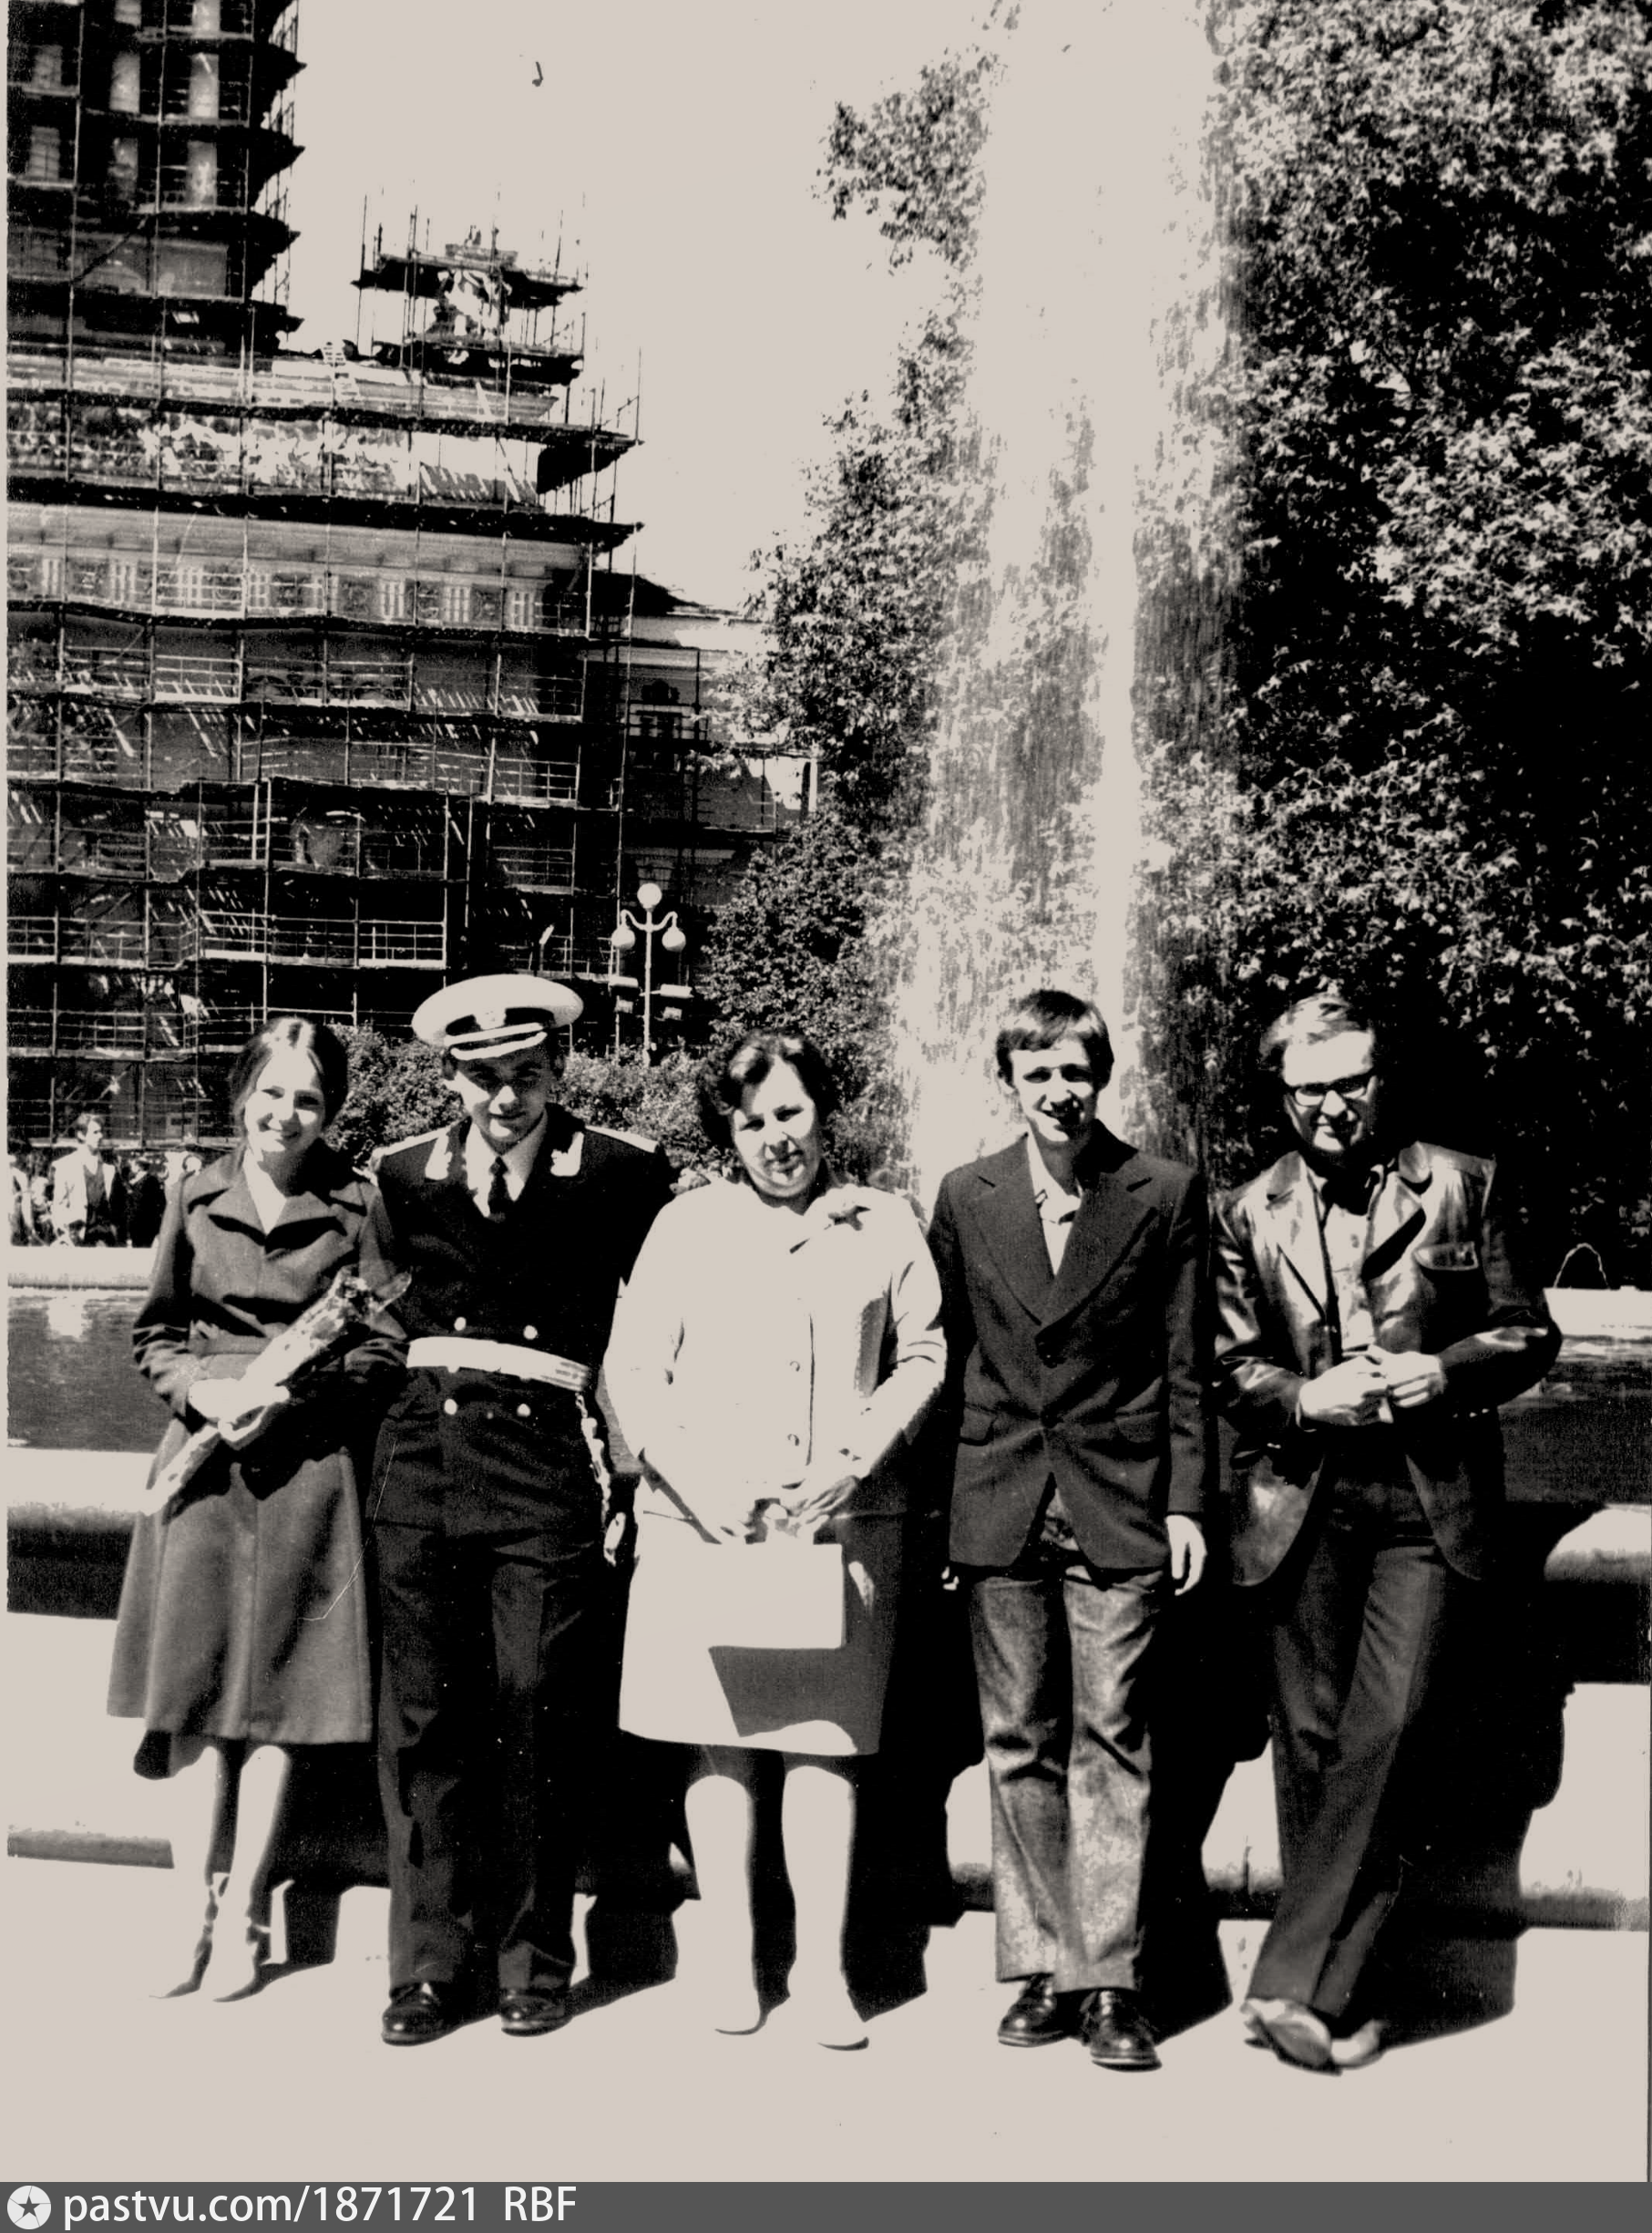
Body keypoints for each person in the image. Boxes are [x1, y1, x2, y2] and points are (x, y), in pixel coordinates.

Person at [1212, 990, 1561, 2072]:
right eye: (1309, 1089)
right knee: (1314, 1748)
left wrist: (1441, 1372)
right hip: (1298, 1502)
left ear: (1379, 1077)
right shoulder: (1243, 1210)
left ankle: (1288, 1981)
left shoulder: (1463, 1181)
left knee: (1393, 1725)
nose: (1332, 1106)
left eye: (1350, 1082)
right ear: (1280, 1094)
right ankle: (1342, 2002)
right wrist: (1302, 1398)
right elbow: (1226, 1365)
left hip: (1425, 1499)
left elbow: (1527, 1331)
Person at [602, 1028, 946, 2047]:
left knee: (822, 1747)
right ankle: (732, 1959)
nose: (774, 1138)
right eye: (750, 1122)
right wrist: (694, 1483)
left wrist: (857, 1455)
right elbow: (633, 1369)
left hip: (837, 1521)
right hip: (707, 1522)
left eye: (790, 1112)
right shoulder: (685, 1225)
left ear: (823, 1111)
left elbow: (924, 1354)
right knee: (718, 1745)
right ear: (729, 1132)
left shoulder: (883, 1221)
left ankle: (823, 1971)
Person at [366, 973, 673, 2047]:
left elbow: (681, 1299)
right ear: (451, 1076)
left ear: (560, 1069)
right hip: (422, 1465)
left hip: (546, 1468)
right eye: (483, 1076)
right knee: (425, 1721)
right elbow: (368, 1314)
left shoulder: (622, 1172)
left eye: (527, 1074)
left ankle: (533, 1961)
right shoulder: (403, 1173)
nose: (505, 1097)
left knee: (536, 1705)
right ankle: (428, 1967)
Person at [927, 988, 1214, 2074]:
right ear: (1008, 1081)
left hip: (1117, 1500)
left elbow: (1187, 1366)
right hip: (997, 1497)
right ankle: (1042, 1964)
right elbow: (943, 1357)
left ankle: (1110, 1983)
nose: (1059, 1091)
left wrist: (1185, 1502)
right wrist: (939, 1517)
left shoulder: (1163, 1191)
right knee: (1016, 1738)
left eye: (1076, 1072)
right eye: (1038, 1072)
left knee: (1114, 1736)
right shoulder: (965, 1195)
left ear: (1102, 1078)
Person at [108, 1019, 395, 1999]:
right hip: (204, 1473)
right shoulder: (194, 1194)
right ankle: (187, 1908)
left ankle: (245, 1911)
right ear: (241, 1095)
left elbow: (382, 1345)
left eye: (308, 1100)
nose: (286, 1115)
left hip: (306, 1467)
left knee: (280, 1697)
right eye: (271, 1093)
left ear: (330, 1111)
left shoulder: (358, 1203)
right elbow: (154, 1332)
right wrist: (201, 1388)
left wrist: (298, 1398)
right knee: (191, 1695)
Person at [51, 1110, 126, 1245]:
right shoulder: (65, 1166)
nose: (100, 1136)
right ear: (81, 1135)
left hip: (105, 1241)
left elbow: (118, 1208)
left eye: (101, 1132)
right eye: (95, 1132)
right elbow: (59, 1206)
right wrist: (66, 1234)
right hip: (77, 1241)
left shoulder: (110, 1168)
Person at [10, 1145, 38, 1246]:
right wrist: (31, 1229)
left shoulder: (17, 1173)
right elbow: (26, 1207)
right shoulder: (19, 1175)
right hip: (13, 1222)